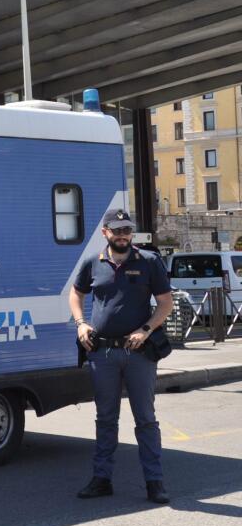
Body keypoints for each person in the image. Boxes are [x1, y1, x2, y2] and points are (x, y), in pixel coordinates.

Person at [68, 209, 174, 504]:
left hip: (138, 353)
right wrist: (81, 323)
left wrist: (146, 330)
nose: (123, 235)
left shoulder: (149, 261)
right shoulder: (93, 262)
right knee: (105, 419)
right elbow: (75, 295)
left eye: (127, 229)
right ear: (106, 233)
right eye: (117, 230)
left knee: (146, 420)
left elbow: (165, 304)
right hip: (102, 353)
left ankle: (155, 483)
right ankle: (102, 479)